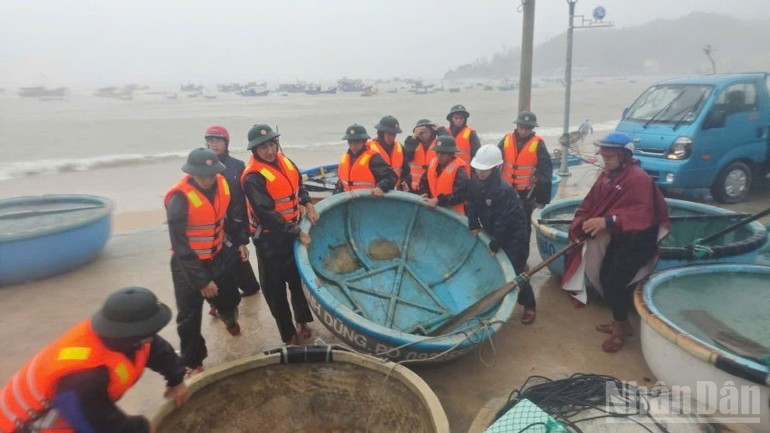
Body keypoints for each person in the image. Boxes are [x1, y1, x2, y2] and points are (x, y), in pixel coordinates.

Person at [0, 286, 188, 433]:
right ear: (133, 334)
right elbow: (95, 425)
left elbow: (153, 347)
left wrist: (176, 378)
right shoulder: (84, 375)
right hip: (27, 424)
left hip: (72, 406)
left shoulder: (122, 335)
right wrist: (139, 428)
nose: (153, 334)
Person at [562, 132, 670, 352]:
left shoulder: (638, 178)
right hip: (620, 237)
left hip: (639, 240)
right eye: (604, 155)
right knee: (604, 277)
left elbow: (643, 213)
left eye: (611, 156)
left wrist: (608, 220)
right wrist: (582, 222)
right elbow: (591, 203)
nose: (606, 159)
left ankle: (619, 332)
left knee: (614, 283)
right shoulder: (607, 176)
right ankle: (623, 323)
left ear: (624, 155)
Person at [165, 148, 249, 375]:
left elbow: (230, 216)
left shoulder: (222, 184)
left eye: (212, 174)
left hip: (218, 256)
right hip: (188, 265)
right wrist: (201, 281)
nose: (208, 179)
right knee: (189, 316)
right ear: (192, 173)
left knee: (230, 297)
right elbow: (180, 245)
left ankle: (228, 317)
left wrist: (241, 241)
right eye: (203, 175)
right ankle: (194, 362)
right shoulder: (179, 199)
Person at [241, 124, 317, 345]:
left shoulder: (286, 162)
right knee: (275, 291)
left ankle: (302, 321)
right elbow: (266, 213)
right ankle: (288, 335)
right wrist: (297, 233)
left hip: (292, 234)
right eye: (262, 147)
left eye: (272, 144)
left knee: (297, 281)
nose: (269, 150)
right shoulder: (252, 177)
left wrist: (308, 203)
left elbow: (298, 187)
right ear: (254, 150)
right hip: (269, 240)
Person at [466, 144, 537, 324]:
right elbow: (472, 204)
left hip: (514, 233)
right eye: (478, 169)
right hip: (493, 227)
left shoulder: (502, 190)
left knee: (516, 270)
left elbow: (503, 221)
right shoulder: (475, 182)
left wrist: (496, 243)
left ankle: (529, 304)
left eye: (485, 170)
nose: (480, 174)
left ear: (496, 167)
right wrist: (473, 223)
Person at [205, 125, 261, 300]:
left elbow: (242, 200)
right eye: (210, 140)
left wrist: (241, 237)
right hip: (211, 223)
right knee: (216, 263)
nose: (214, 144)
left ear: (226, 142)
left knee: (238, 257)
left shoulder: (237, 166)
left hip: (234, 221)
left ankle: (250, 287)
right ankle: (218, 301)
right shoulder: (201, 168)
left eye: (218, 140)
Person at [498, 111, 553, 244]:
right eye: (521, 127)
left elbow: (546, 170)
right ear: (517, 126)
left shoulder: (538, 143)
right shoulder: (506, 139)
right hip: (505, 190)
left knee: (523, 226)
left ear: (532, 129)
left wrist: (542, 198)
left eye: (527, 128)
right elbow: (494, 160)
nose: (523, 131)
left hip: (525, 194)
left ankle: (522, 261)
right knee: (502, 222)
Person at [336, 124, 397, 197]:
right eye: (350, 142)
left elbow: (391, 177)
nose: (353, 145)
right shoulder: (345, 158)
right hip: (349, 201)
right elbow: (340, 183)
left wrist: (381, 188)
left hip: (368, 201)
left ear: (364, 141)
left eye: (356, 142)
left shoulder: (373, 158)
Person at [419, 135, 470, 214]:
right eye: (437, 152)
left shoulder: (459, 170)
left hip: (454, 214)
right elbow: (424, 181)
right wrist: (425, 193)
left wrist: (439, 200)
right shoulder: (433, 164)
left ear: (451, 153)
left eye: (443, 153)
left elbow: (460, 195)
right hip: (435, 210)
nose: (439, 156)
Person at [367, 115, 408, 189]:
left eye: (394, 134)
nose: (392, 137)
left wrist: (404, 182)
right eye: (389, 134)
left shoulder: (400, 148)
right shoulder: (368, 149)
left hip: (395, 191)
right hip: (375, 193)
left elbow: (406, 171)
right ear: (381, 134)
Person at [403, 119, 439, 193]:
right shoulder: (411, 143)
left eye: (426, 132)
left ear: (432, 132)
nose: (423, 135)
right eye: (421, 133)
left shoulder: (438, 144)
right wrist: (413, 138)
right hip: (414, 187)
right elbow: (407, 155)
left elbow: (450, 140)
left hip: (431, 187)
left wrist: (440, 130)